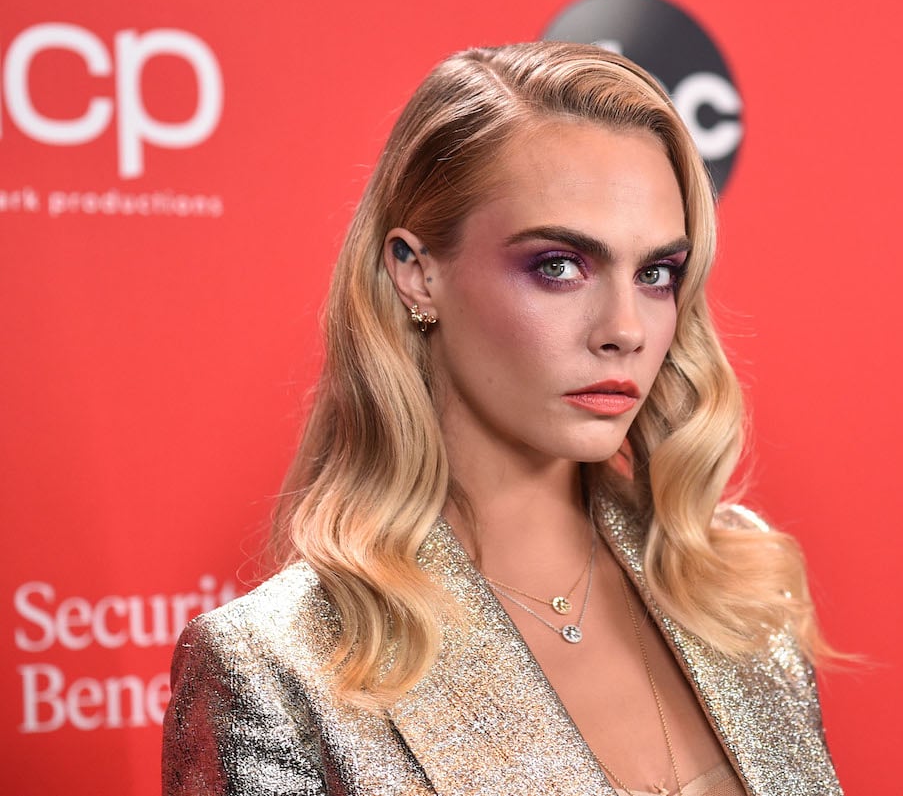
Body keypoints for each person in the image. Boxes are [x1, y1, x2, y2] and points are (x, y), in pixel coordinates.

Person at [162, 41, 843, 796]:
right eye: (559, 265)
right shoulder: (276, 668)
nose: (625, 328)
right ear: (416, 272)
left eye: (655, 273)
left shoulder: (737, 587)